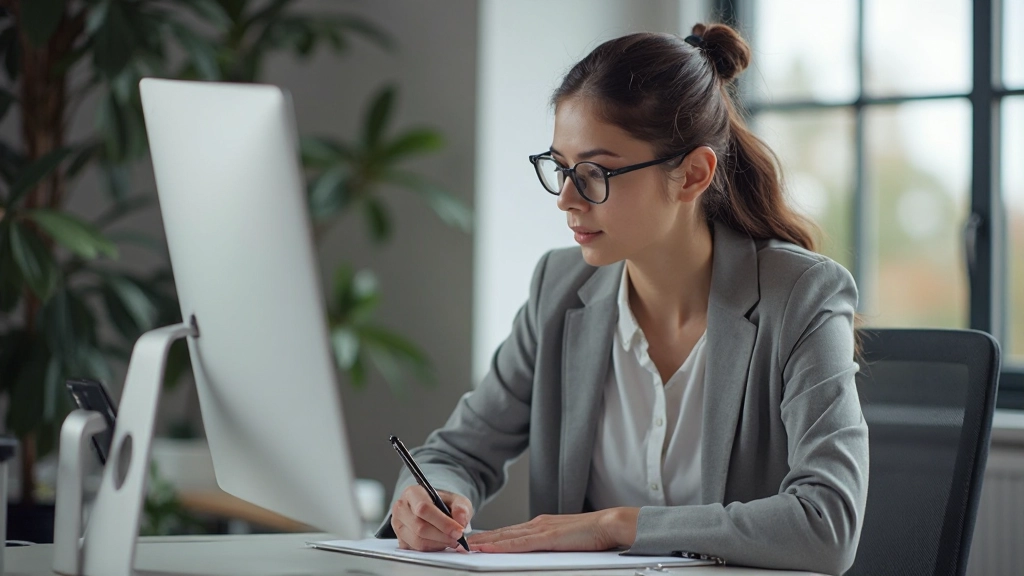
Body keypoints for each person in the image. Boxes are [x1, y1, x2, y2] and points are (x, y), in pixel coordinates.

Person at [377, 22, 868, 576]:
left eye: (595, 173)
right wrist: (431, 497)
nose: (566, 199)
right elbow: (456, 453)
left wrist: (616, 526)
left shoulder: (800, 296)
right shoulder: (558, 292)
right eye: (561, 169)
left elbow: (826, 523)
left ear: (692, 174)